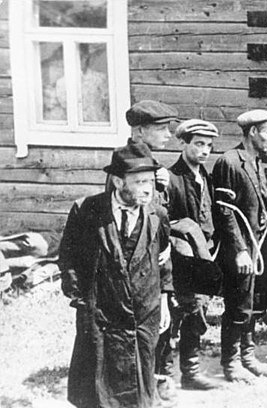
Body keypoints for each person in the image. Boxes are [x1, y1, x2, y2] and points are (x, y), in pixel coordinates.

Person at [58, 142, 172, 408]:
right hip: (101, 315)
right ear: (119, 182)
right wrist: (81, 300)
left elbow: (164, 262)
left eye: (150, 181)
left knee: (139, 385)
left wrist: (164, 300)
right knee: (98, 388)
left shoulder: (158, 214)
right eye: (139, 181)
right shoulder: (87, 210)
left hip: (143, 314)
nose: (147, 188)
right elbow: (68, 258)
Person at [212, 110, 267, 383]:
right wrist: (240, 249)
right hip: (239, 250)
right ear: (252, 132)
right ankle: (230, 363)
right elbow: (225, 212)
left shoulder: (257, 163)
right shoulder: (230, 162)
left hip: (257, 247)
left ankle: (248, 357)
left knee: (251, 304)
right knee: (237, 305)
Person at [154, 119, 222, 391]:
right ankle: (165, 376)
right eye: (198, 144)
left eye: (208, 146)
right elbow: (163, 221)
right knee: (175, 315)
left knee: (199, 312)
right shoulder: (169, 178)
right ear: (183, 144)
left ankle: (191, 372)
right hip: (180, 258)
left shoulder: (207, 178)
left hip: (205, 255)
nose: (204, 151)